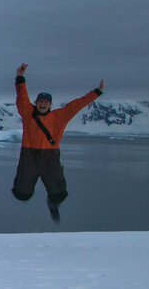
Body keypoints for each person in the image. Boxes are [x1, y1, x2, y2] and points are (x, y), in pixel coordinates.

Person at [11, 63, 104, 221]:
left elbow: (77, 104)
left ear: (50, 105)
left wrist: (96, 93)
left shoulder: (59, 116)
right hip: (29, 156)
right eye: (40, 101)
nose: (42, 103)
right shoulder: (28, 113)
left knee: (58, 192)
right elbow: (22, 97)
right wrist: (20, 78)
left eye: (46, 102)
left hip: (50, 157)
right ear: (36, 102)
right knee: (22, 194)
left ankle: (52, 204)